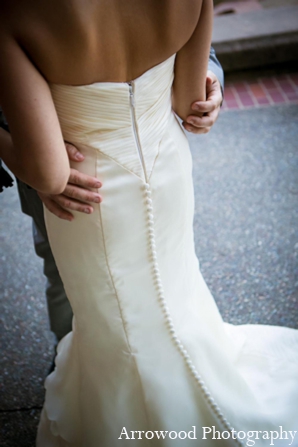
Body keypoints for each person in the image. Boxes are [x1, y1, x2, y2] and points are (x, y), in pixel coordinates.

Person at [0, 1, 297, 447]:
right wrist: (207, 90)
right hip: (168, 170)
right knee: (177, 295)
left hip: (88, 197)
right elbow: (186, 98)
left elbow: (49, 174)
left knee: (110, 322)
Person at [0, 47, 224, 344]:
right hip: (100, 177)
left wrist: (210, 83)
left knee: (171, 262)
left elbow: (203, 52)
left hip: (132, 170)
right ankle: (71, 348)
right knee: (65, 276)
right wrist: (30, 157)